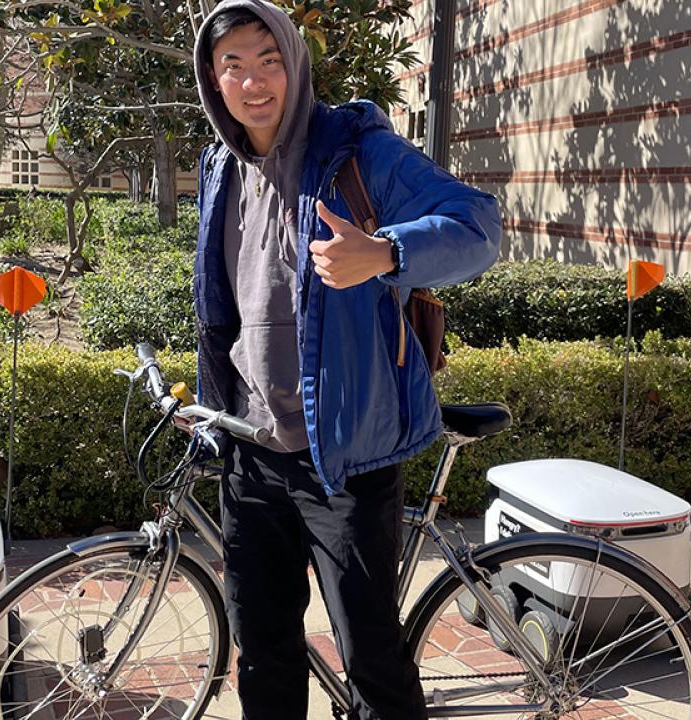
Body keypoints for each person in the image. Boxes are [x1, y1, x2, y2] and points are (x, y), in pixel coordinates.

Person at [191, 2, 502, 718]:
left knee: (370, 663)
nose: (253, 81)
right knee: (264, 653)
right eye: (233, 64)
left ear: (295, 64)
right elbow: (222, 306)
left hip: (348, 461)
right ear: (213, 77)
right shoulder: (219, 166)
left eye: (269, 60)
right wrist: (213, 411)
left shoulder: (357, 151)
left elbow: (480, 225)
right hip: (252, 458)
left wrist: (387, 253)